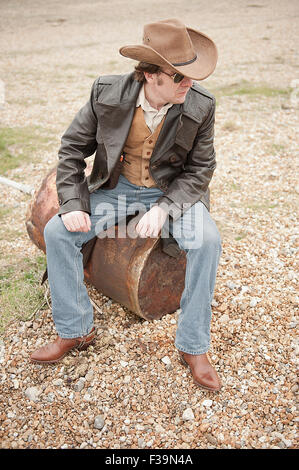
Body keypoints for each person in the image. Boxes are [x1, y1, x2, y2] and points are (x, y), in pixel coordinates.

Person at [30, 19, 222, 392]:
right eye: (179, 77)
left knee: (208, 242)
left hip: (170, 192)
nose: (190, 84)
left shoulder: (201, 105)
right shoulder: (106, 93)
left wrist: (165, 208)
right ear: (152, 75)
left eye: (191, 76)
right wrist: (71, 203)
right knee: (57, 231)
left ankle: (193, 346)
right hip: (115, 188)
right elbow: (71, 151)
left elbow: (201, 169)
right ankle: (76, 330)